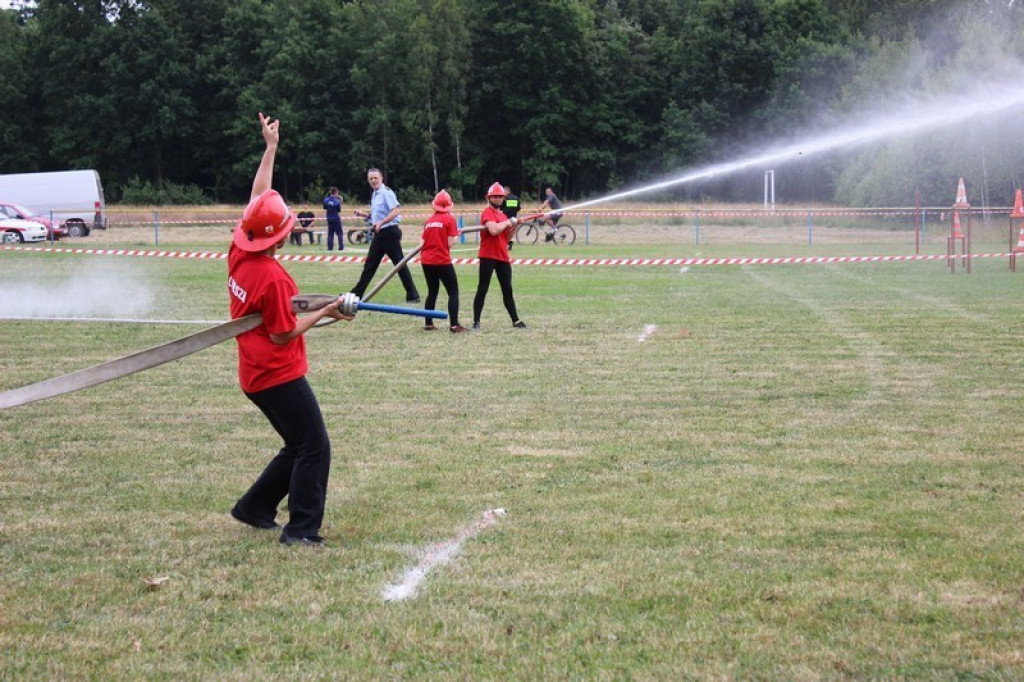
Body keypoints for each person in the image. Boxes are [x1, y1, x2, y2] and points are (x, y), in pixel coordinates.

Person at [228, 112, 354, 548]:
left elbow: (258, 196)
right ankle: (300, 531)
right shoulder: (272, 277)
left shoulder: (239, 251)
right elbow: (283, 333)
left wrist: (270, 148)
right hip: (276, 373)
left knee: (297, 444)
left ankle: (254, 507)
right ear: (279, 237)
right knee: (314, 446)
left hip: (254, 374)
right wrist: (329, 312)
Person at [350, 168, 420, 302]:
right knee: (370, 265)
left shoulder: (386, 192)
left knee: (399, 264)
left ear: (381, 178)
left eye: (375, 178)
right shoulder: (375, 194)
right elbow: (378, 215)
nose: (373, 181)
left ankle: (413, 295)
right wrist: (364, 215)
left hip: (389, 233)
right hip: (380, 233)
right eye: (370, 179)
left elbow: (396, 211)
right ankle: (356, 294)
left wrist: (381, 223)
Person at [472, 182, 525, 330]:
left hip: (502, 257)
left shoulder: (502, 215)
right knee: (482, 289)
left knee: (507, 290)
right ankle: (476, 322)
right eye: (494, 196)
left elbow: (506, 238)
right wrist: (508, 222)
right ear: (489, 198)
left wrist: (515, 225)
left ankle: (516, 320)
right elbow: (494, 230)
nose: (497, 199)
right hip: (488, 256)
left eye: (500, 197)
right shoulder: (487, 213)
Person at [418, 189, 466, 333]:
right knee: (453, 292)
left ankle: (428, 323)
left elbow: (422, 240)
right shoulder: (449, 219)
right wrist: (458, 235)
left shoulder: (429, 220)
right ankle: (454, 325)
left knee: (432, 292)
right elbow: (450, 242)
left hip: (426, 261)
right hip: (442, 260)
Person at [323, 187, 344, 251]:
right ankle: (341, 247)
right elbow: (339, 210)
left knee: (330, 233)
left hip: (329, 218)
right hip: (336, 218)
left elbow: (324, 207)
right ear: (336, 192)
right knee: (340, 233)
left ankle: (330, 248)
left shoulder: (326, 200)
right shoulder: (337, 201)